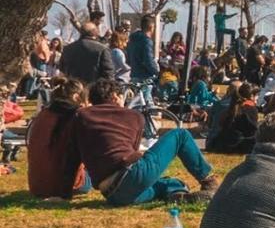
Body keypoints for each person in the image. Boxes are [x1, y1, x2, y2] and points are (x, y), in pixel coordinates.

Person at [68, 78, 219, 205]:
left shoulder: (81, 117)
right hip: (129, 175)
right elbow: (132, 154)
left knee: (171, 183)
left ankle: (177, 193)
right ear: (115, 96)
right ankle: (208, 182)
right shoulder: (133, 116)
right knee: (180, 135)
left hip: (112, 195)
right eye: (122, 97)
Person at [27, 78, 91, 199]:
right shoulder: (77, 116)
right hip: (69, 185)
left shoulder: (43, 114)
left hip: (38, 186)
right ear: (77, 97)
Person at [208, 82, 259, 154]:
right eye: (257, 95)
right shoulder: (250, 108)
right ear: (251, 96)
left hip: (220, 143)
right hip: (237, 145)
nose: (258, 98)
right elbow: (252, 131)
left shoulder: (232, 106)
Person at [127, 15, 159, 84]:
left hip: (134, 75)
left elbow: (128, 59)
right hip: (145, 77)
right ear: (151, 27)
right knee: (146, 94)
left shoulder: (132, 39)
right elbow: (148, 60)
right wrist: (157, 72)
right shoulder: (146, 41)